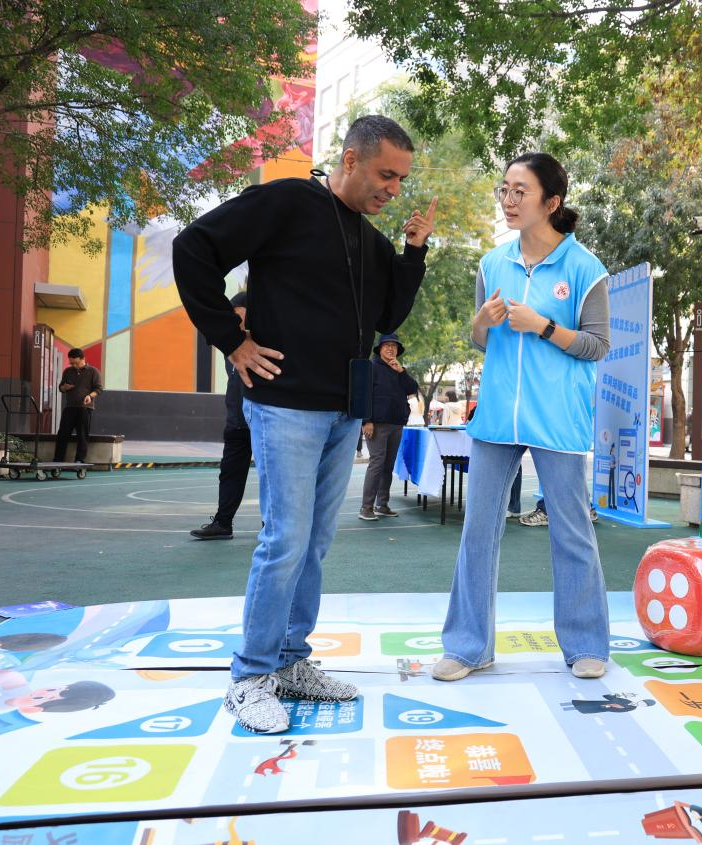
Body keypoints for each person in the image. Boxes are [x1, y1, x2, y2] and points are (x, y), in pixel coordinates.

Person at [173, 114, 435, 733]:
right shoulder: (288, 201)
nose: (394, 188)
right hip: (284, 404)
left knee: (314, 542)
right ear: (351, 159)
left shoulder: (370, 239)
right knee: (285, 540)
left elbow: (389, 316)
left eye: (402, 178)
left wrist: (413, 253)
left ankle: (291, 661)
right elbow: (193, 248)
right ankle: (250, 677)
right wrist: (231, 339)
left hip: (343, 410)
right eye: (386, 174)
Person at [435, 152, 611, 683]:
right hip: (496, 418)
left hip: (558, 418)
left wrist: (542, 326)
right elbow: (482, 341)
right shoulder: (492, 264)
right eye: (505, 190)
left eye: (521, 191)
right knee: (478, 530)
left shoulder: (585, 268)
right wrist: (480, 322)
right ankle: (469, 647)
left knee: (571, 531)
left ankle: (585, 644)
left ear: (551, 202)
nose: (509, 201)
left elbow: (597, 346)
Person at [192, 292, 253, 540]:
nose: (232, 317)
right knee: (229, 472)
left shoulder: (268, 342)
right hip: (236, 422)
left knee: (272, 477)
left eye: (237, 311)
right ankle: (223, 523)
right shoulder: (231, 345)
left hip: (264, 422)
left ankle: (270, 525)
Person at [359, 332, 420, 520]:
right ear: (380, 349)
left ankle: (382, 504)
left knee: (388, 465)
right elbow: (363, 394)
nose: (391, 349)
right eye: (387, 345)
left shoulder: (398, 369)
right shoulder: (371, 367)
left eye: (394, 346)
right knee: (377, 463)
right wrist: (366, 420)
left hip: (396, 423)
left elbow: (412, 388)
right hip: (377, 424)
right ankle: (366, 508)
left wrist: (402, 372)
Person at [53, 348, 102, 464]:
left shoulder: (93, 371)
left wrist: (89, 396)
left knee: (82, 435)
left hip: (85, 408)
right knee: (62, 434)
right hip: (70, 407)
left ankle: (79, 460)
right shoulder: (68, 371)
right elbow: (61, 387)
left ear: (83, 359)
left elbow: (99, 389)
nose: (74, 365)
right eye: (71, 363)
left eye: (76, 363)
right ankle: (58, 460)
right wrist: (64, 388)